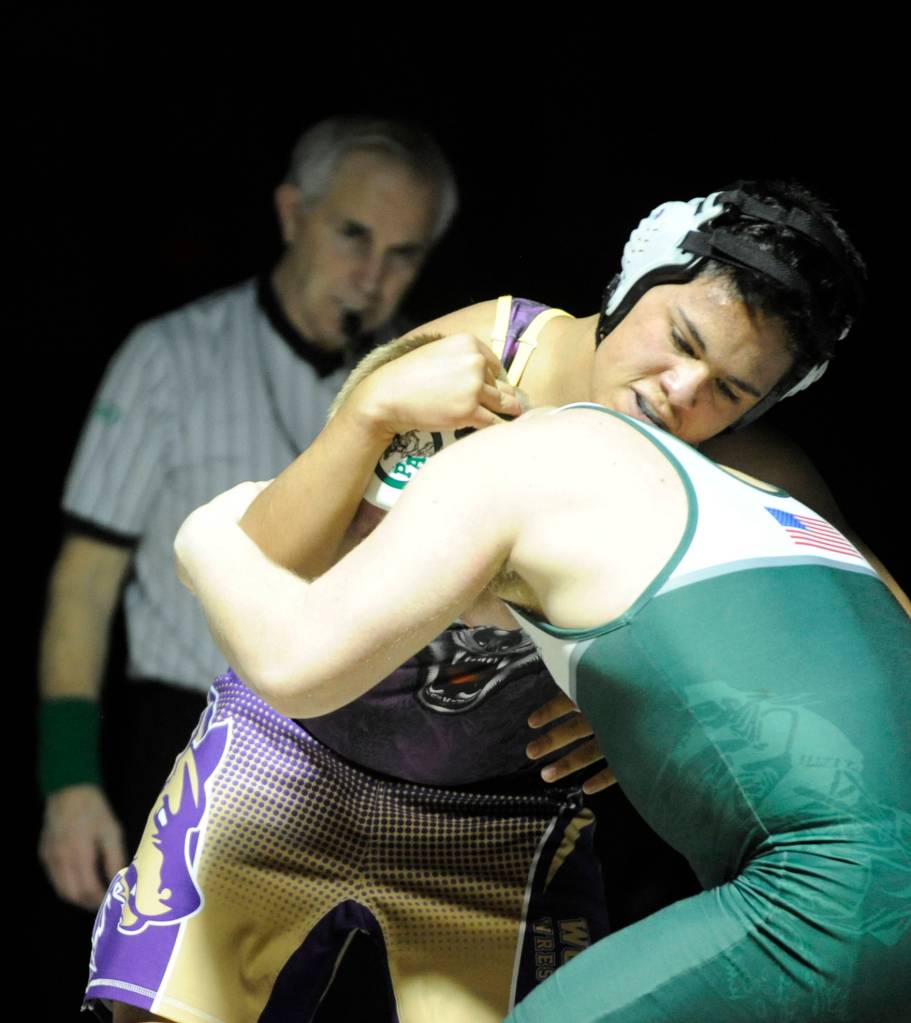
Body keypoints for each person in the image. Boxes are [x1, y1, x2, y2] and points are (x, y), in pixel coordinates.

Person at [87, 182, 907, 1023]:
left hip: (497, 809)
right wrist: (366, 416)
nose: (682, 391)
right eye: (679, 339)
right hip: (291, 750)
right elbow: (272, 554)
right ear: (632, 287)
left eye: (730, 390)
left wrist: (645, 700)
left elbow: (878, 628)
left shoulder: (750, 463)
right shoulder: (494, 349)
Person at [175, 398, 911, 1023]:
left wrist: (210, 532)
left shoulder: (531, 461)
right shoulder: (774, 491)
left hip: (839, 894)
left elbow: (292, 666)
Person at [38, 114, 458, 910]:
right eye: (352, 235)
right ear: (292, 212)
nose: (372, 275)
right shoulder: (169, 357)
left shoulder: (433, 386)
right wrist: (68, 778)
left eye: (402, 253)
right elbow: (84, 584)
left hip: (366, 765)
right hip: (181, 743)